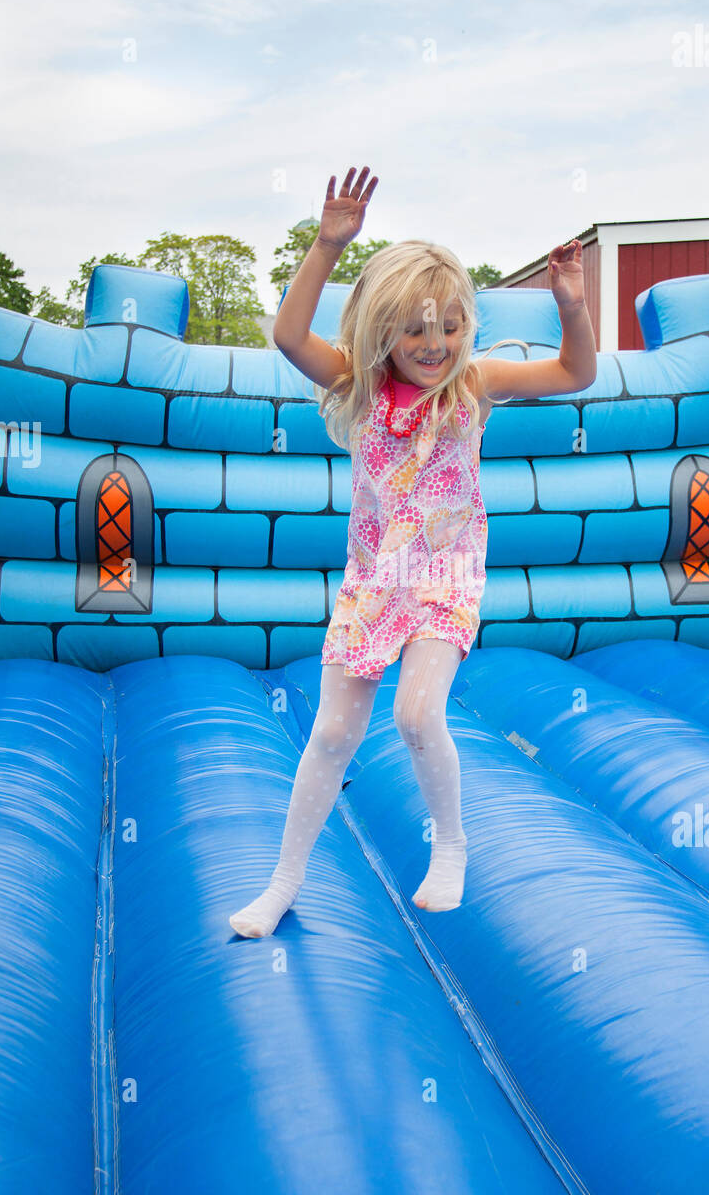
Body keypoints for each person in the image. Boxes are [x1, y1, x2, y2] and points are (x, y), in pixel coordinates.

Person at [229, 165, 596, 937]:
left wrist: (570, 304)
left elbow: (575, 371)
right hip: (374, 579)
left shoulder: (475, 385)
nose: (434, 347)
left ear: (468, 326)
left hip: (445, 572)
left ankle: (453, 844)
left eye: (450, 327)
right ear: (382, 331)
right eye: (415, 330)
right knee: (331, 733)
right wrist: (329, 245)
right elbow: (290, 335)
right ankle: (283, 881)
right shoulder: (357, 385)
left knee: (419, 714)